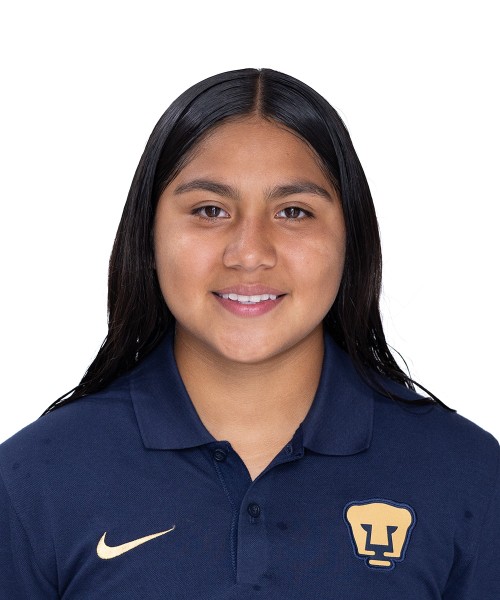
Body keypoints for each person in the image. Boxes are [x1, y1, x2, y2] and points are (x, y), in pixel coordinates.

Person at [0, 68, 498, 599]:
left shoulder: (467, 474)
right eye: (210, 210)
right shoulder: (33, 480)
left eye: (294, 211)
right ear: (149, 235)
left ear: (351, 239)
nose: (250, 253)